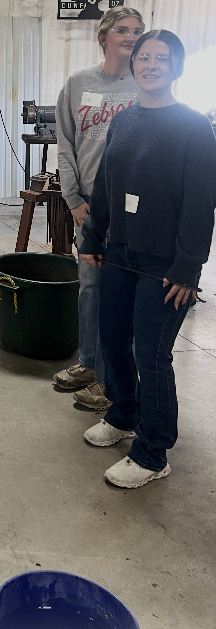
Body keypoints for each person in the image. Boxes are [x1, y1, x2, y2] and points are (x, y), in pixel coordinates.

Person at [80, 29, 216, 488]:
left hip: (165, 263)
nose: (151, 65)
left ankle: (153, 452)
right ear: (134, 64)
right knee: (113, 339)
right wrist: (93, 236)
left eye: (161, 58)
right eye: (144, 57)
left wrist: (189, 267)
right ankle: (124, 414)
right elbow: (105, 185)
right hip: (120, 252)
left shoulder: (194, 126)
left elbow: (201, 203)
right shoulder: (124, 120)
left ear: (176, 67)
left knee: (151, 356)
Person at [54, 7, 144, 410]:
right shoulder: (79, 83)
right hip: (90, 205)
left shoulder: (146, 84)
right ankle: (89, 364)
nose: (131, 37)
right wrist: (73, 199)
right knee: (90, 288)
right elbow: (65, 145)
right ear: (103, 37)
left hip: (131, 208)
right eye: (123, 30)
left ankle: (112, 382)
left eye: (137, 31)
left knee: (118, 294)